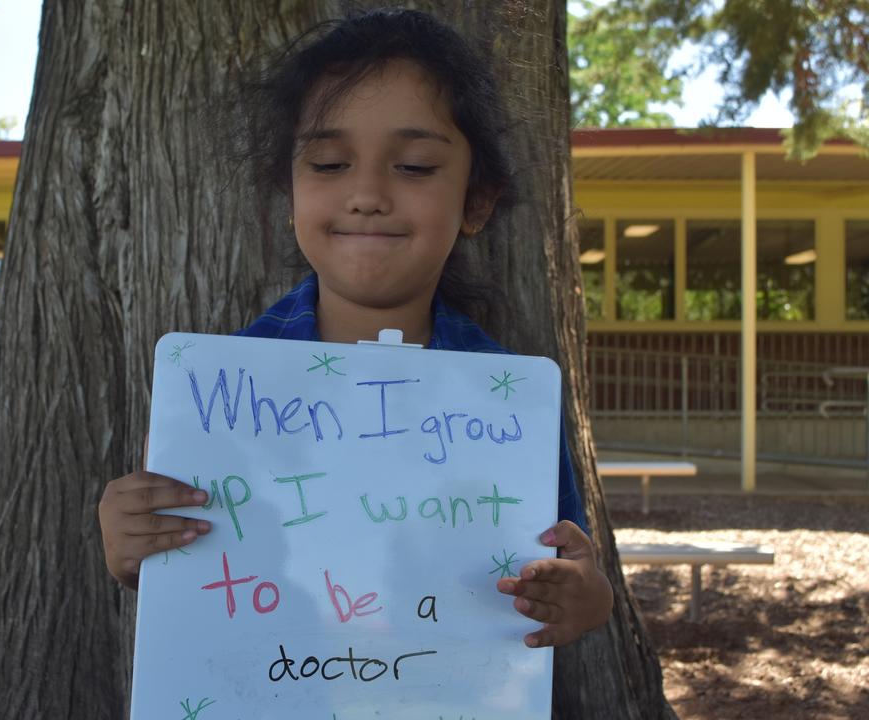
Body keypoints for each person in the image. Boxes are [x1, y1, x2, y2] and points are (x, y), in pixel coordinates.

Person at [99, 8, 612, 650]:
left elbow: (574, 569)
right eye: (330, 164)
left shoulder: (511, 404)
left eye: (416, 166)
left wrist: (585, 599)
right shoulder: (215, 396)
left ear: (476, 201)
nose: (366, 193)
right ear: (289, 196)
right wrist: (132, 546)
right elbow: (187, 572)